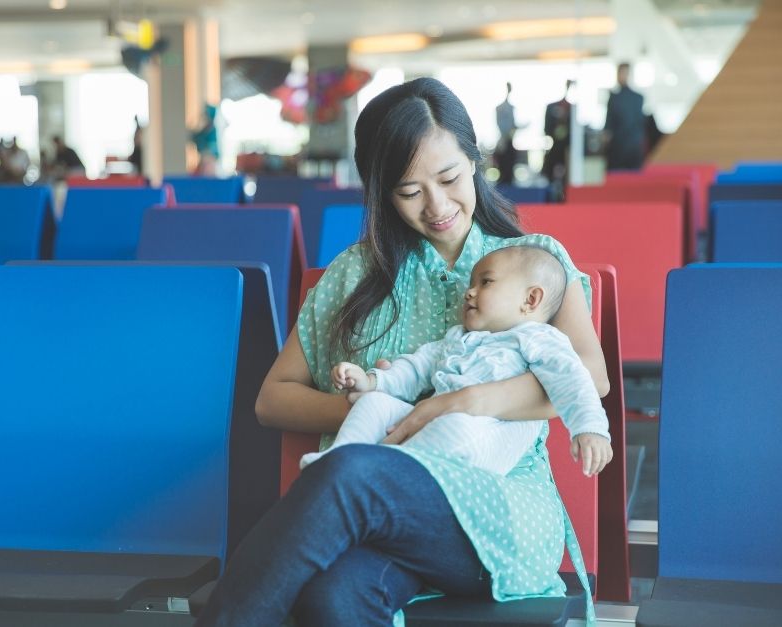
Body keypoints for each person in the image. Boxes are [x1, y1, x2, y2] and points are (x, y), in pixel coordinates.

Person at [195, 77, 611, 627]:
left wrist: (460, 403)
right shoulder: (354, 274)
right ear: (379, 191)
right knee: (333, 597)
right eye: (410, 191)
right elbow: (272, 400)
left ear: (474, 160)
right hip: (382, 517)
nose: (437, 206)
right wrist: (383, 406)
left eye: (449, 178)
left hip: (497, 513)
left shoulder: (529, 262)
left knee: (351, 471)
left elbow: (591, 375)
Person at [301, 244, 611, 476]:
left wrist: (590, 428)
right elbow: (416, 367)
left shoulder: (539, 338)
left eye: (485, 283)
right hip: (434, 424)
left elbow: (573, 379)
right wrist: (373, 382)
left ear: (530, 300)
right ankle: (338, 463)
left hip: (488, 434)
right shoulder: (457, 337)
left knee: (456, 428)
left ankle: (382, 476)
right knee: (373, 405)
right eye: (471, 284)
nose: (469, 293)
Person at [604, 63, 645, 171]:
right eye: (620, 73)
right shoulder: (614, 97)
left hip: (630, 146)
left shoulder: (637, 98)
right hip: (619, 145)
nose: (621, 76)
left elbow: (639, 123)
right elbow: (608, 123)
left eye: (624, 73)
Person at [543, 80, 573, 194]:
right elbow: (547, 128)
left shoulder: (571, 108)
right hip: (554, 146)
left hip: (567, 149)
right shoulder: (552, 107)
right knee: (552, 170)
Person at [494, 82, 520, 184]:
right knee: (504, 164)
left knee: (509, 164)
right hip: (504, 141)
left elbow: (513, 125)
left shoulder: (511, 107)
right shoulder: (500, 108)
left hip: (509, 141)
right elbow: (501, 125)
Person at [190, 104, 219, 176]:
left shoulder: (212, 131)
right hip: (205, 157)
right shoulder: (203, 131)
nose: (205, 117)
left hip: (209, 157)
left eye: (207, 115)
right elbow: (194, 137)